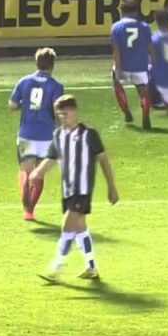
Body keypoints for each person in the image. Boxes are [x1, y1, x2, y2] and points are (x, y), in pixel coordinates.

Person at [31, 95, 119, 281]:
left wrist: (111, 187)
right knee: (79, 228)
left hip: (82, 190)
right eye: (60, 114)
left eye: (66, 113)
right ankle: (91, 267)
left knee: (67, 225)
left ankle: (55, 268)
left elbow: (103, 160)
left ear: (74, 111)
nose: (63, 117)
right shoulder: (58, 135)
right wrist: (38, 172)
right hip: (68, 190)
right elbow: (52, 158)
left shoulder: (89, 134)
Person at [10, 48, 65, 221]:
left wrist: (24, 105)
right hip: (46, 136)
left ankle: (24, 197)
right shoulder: (56, 86)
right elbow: (58, 110)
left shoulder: (24, 81)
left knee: (25, 171)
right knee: (39, 173)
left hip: (26, 133)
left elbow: (12, 105)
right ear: (52, 65)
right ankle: (29, 211)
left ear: (36, 63)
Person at [109, 0, 153, 129]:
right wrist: (153, 63)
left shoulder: (116, 27)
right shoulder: (145, 26)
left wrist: (118, 68)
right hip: (140, 66)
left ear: (122, 11)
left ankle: (127, 112)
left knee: (117, 85)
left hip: (124, 66)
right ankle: (146, 116)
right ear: (136, 11)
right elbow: (150, 47)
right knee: (144, 92)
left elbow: (116, 50)